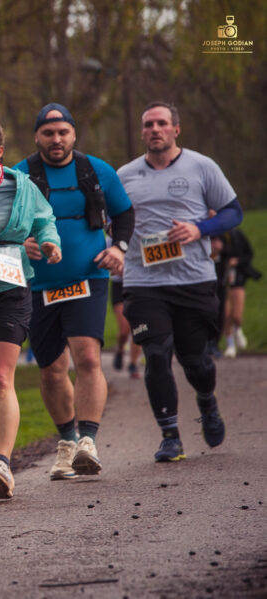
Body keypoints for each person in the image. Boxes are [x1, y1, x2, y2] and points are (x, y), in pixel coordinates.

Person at [14, 103, 135, 480]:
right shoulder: (20, 175)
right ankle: (67, 442)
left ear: (73, 134)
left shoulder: (97, 171)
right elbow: (1, 225)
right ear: (37, 137)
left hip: (88, 277)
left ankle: (88, 441)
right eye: (48, 133)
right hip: (38, 284)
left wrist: (119, 249)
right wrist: (21, 243)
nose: (56, 139)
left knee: (88, 358)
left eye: (62, 132)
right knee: (52, 370)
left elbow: (124, 213)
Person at [117, 101, 243, 462]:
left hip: (193, 280)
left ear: (176, 129)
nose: (154, 129)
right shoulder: (124, 175)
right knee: (156, 355)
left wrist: (199, 228)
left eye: (161, 123)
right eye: (148, 124)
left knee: (196, 361)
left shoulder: (202, 166)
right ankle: (170, 436)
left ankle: (207, 402)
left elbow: (233, 212)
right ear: (142, 131)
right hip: (143, 282)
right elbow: (112, 219)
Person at [0, 115, 61, 499]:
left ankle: (2, 463)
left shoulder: (22, 186)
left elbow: (44, 221)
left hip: (11, 289)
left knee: (1, 378)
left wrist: (50, 243)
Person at [219, 228, 260, 358]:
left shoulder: (237, 234)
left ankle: (238, 329)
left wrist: (237, 261)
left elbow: (249, 254)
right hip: (221, 279)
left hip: (237, 277)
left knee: (236, 314)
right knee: (226, 314)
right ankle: (230, 344)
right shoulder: (215, 235)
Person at [110, 269, 142, 378]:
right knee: (124, 331)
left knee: (137, 328)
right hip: (120, 285)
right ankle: (120, 350)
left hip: (139, 284)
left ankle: (133, 363)